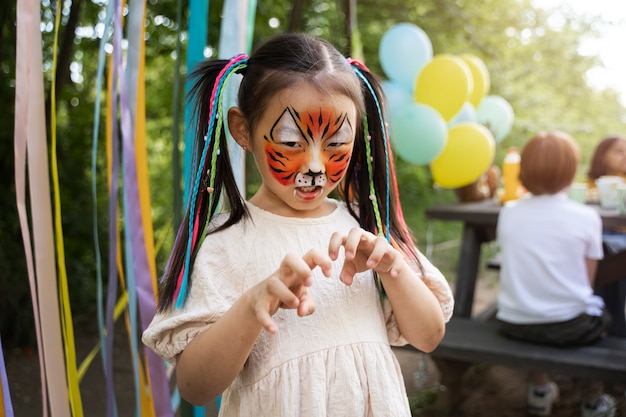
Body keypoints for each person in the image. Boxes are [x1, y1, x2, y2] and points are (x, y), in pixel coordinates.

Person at [142, 33, 454, 416]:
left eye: (337, 142)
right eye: (291, 142)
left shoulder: (367, 229)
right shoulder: (225, 243)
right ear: (243, 130)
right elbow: (195, 387)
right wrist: (252, 305)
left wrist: (393, 267)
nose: (315, 166)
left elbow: (429, 335)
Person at [495, 131, 615, 417]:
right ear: (571, 171)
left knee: (541, 303)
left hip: (514, 323)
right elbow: (586, 284)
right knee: (603, 319)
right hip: (570, 327)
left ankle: (539, 391)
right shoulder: (587, 217)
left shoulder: (509, 212)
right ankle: (593, 400)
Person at [587, 135, 626, 337]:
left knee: (611, 257)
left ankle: (612, 324)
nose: (625, 155)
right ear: (602, 155)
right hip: (598, 237)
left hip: (619, 238)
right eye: (618, 151)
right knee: (601, 254)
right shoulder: (588, 186)